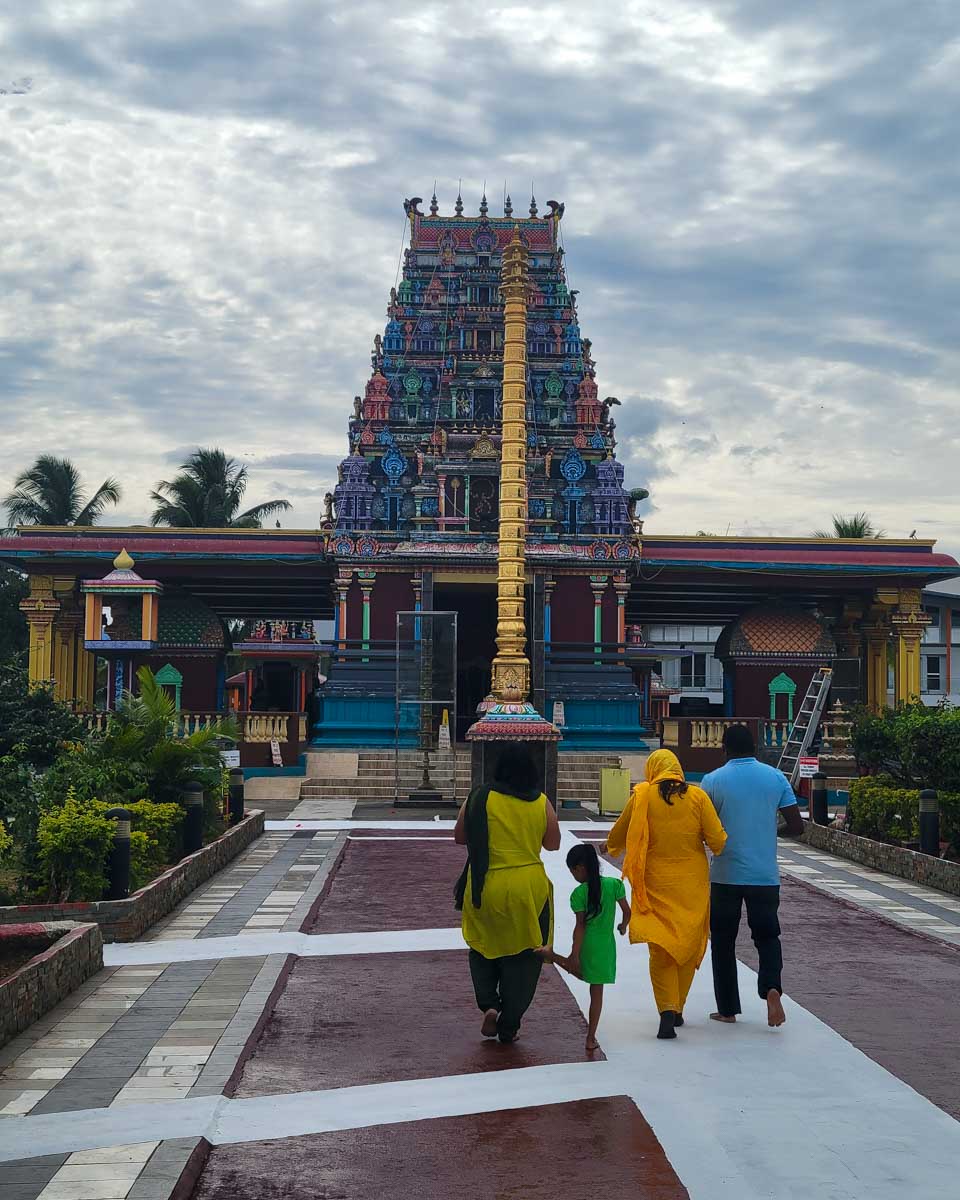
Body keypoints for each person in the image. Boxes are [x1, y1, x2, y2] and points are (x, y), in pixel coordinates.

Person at [604, 749, 727, 1040]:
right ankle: (678, 1006)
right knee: (687, 944)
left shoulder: (643, 795)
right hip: (691, 885)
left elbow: (619, 834)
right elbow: (718, 840)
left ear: (654, 769)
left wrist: (610, 846)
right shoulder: (698, 797)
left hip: (654, 883)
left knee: (660, 949)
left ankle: (666, 1010)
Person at [454, 745, 561, 1044]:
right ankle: (509, 1022)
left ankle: (489, 1003)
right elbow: (553, 843)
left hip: (484, 885)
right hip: (528, 888)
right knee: (527, 956)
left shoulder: (479, 797)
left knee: (482, 945)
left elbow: (459, 836)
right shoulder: (540, 802)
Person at [701, 723, 805, 1028]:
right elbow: (797, 826)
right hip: (764, 876)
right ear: (756, 748)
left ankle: (728, 1009)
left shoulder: (713, 780)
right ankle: (772, 990)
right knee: (768, 937)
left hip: (725, 873)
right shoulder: (775, 778)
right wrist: (769, 832)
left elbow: (704, 827)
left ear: (725, 749)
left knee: (723, 941)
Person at [537, 842, 631, 1052]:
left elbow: (580, 926)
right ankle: (590, 1038)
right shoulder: (614, 885)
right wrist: (623, 927)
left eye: (572, 871)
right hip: (606, 946)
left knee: (577, 970)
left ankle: (552, 955)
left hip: (587, 943)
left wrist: (574, 953)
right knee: (596, 992)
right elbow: (627, 911)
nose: (573, 875)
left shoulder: (579, 894)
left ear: (580, 868)